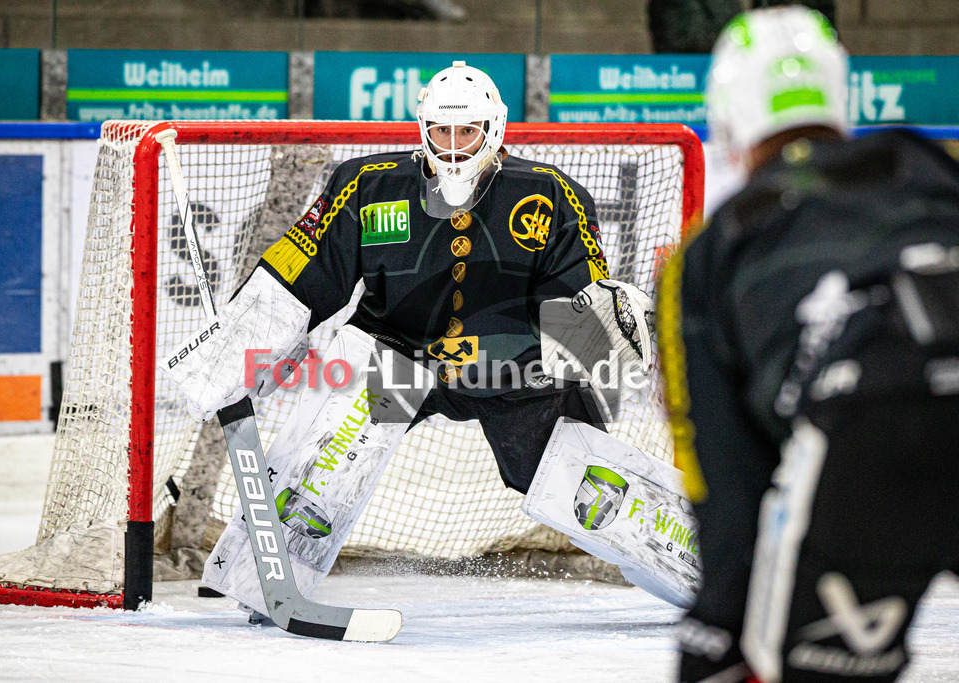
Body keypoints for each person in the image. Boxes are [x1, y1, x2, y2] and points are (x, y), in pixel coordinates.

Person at [165, 60, 696, 618]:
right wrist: (234, 350)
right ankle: (264, 581)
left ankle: (707, 571)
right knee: (332, 447)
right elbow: (301, 272)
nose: (454, 145)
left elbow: (576, 310)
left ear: (494, 128)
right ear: (422, 128)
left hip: (513, 371)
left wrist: (603, 333)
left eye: (467, 131)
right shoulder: (369, 187)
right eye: (442, 131)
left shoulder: (552, 195)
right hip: (395, 354)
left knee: (591, 490)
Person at [658, 6, 959, 682]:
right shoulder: (926, 163)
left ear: (730, 111)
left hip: (866, 421)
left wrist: (719, 627)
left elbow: (723, 478)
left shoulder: (711, 250)